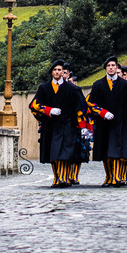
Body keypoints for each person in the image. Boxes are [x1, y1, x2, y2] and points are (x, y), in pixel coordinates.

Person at [29, 59, 91, 187]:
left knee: (65, 152)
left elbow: (82, 108)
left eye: (59, 70)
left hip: (68, 125)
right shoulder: (44, 87)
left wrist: (83, 126)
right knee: (53, 153)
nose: (57, 72)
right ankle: (57, 178)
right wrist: (48, 110)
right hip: (51, 125)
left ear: (63, 72)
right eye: (55, 70)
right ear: (51, 72)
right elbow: (34, 105)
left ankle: (63, 178)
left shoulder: (72, 89)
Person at [86, 56, 127, 186]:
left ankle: (116, 177)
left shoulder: (126, 85)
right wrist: (102, 112)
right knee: (105, 151)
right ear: (105, 68)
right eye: (108, 66)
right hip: (104, 123)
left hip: (122, 123)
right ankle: (109, 177)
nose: (111, 68)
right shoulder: (98, 84)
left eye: (113, 65)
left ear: (117, 68)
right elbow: (90, 103)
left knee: (117, 150)